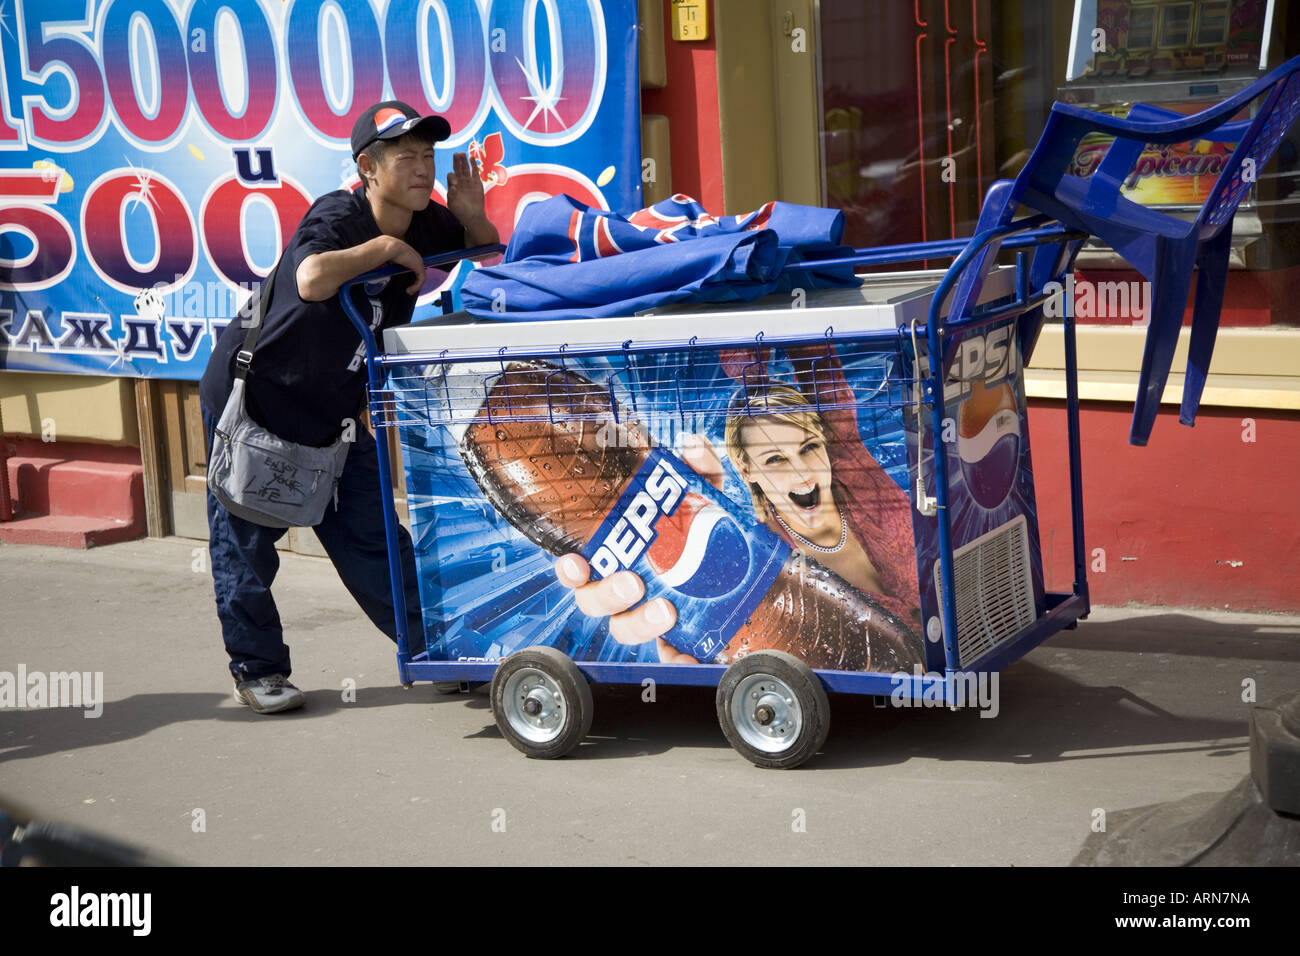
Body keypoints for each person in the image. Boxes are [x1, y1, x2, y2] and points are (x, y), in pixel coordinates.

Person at [199, 100, 500, 713]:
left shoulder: (426, 220)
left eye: (427, 156)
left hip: (335, 414)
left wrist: (473, 220)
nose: (422, 169)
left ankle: (433, 648)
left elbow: (489, 259)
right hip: (259, 399)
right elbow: (310, 278)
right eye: (405, 157)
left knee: (377, 539)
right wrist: (384, 248)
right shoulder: (339, 214)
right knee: (246, 545)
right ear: (368, 167)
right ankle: (258, 670)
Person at [555, 349, 921, 664]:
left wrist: (759, 334)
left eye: (809, 448)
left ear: (826, 444)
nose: (802, 471)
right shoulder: (758, 558)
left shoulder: (857, 477)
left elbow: (821, 363)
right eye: (775, 459)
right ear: (747, 470)